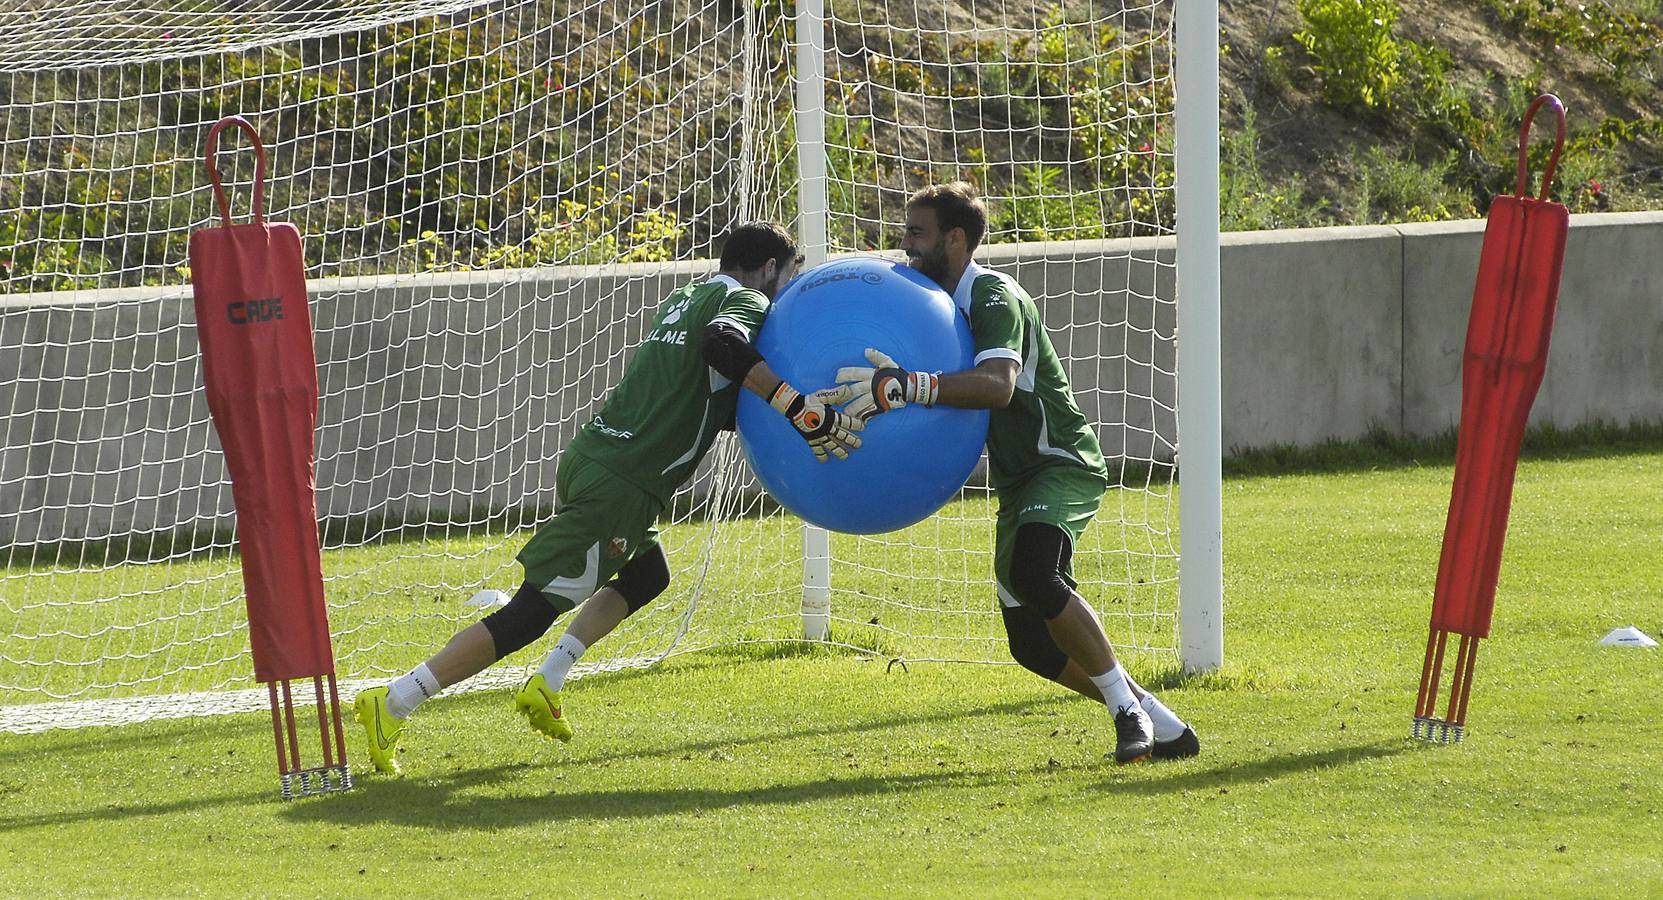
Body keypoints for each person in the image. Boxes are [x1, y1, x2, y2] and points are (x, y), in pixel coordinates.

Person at [353, 222, 863, 774]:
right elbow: (723, 346)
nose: (787, 289)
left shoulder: (685, 297)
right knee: (530, 612)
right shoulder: (741, 298)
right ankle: (395, 700)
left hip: (602, 460)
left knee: (647, 576)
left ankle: (546, 682)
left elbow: (693, 394)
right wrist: (800, 410)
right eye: (788, 276)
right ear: (769, 269)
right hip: (621, 481)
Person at [831, 182, 1199, 764]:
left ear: (956, 239)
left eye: (916, 233)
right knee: (1030, 645)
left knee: (1034, 573)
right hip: (1017, 482)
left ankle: (1127, 714)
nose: (904, 245)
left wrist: (905, 386)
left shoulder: (995, 296)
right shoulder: (929, 307)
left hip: (1061, 464)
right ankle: (1160, 721)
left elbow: (997, 388)